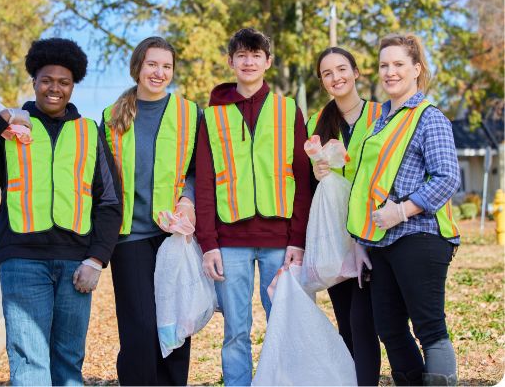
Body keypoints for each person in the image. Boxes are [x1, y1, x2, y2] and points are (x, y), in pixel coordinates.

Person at [0, 38, 122, 386]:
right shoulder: (11, 129)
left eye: (64, 82)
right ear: (34, 81)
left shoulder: (89, 132)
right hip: (22, 261)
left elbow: (109, 203)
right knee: (29, 363)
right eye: (47, 80)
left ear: (73, 86)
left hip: (76, 264)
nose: (54, 88)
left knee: (68, 362)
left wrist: (96, 259)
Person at [195, 28, 312, 386]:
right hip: (229, 243)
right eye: (241, 56)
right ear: (230, 61)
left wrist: (298, 239)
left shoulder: (287, 109)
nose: (248, 62)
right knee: (235, 331)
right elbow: (204, 182)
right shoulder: (212, 116)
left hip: (281, 243)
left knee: (284, 327)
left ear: (268, 62)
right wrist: (209, 242)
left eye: (256, 55)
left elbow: (303, 179)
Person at [347, 33, 460, 386]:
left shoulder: (429, 117)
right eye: (384, 65)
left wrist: (403, 210)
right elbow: (366, 182)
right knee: (390, 328)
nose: (390, 72)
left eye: (398, 64)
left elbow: (447, 177)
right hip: (382, 242)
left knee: (428, 326)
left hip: (419, 236)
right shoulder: (381, 120)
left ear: (416, 69)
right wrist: (361, 239)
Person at [101, 36, 199, 386]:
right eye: (152, 64)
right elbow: (101, 179)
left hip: (173, 235)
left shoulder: (190, 113)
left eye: (166, 66)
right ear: (138, 68)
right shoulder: (111, 117)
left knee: (175, 325)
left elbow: (197, 170)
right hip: (128, 236)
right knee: (140, 329)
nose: (159, 72)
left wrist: (187, 201)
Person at [308, 46, 382, 386]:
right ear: (322, 81)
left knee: (363, 319)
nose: (336, 77)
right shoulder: (315, 124)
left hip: (374, 233)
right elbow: (307, 185)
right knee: (345, 320)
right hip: (336, 238)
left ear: (356, 72)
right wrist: (318, 172)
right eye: (327, 73)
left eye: (341, 69)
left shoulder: (384, 114)